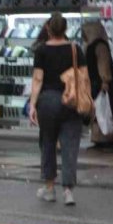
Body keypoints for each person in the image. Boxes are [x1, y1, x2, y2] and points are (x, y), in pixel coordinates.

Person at [28, 13, 84, 206]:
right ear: (66, 29)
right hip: (71, 101)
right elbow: (83, 77)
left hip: (48, 101)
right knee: (70, 145)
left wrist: (32, 104)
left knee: (48, 143)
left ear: (49, 30)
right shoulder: (76, 49)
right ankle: (68, 191)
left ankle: (50, 189)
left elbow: (37, 80)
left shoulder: (42, 51)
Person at [82, 21, 113, 147]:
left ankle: (105, 137)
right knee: (101, 111)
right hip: (98, 84)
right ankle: (102, 137)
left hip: (102, 85)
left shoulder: (98, 46)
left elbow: (103, 65)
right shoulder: (96, 45)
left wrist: (105, 81)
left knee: (104, 110)